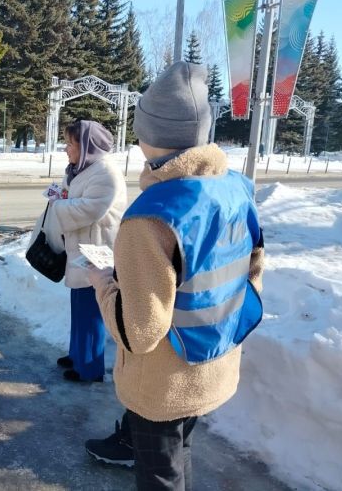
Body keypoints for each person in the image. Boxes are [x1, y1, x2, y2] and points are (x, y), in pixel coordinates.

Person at [86, 62, 265, 489]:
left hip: (162, 383)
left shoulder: (149, 218)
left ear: (149, 134)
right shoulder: (237, 188)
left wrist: (103, 285)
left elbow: (140, 331)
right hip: (214, 361)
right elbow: (252, 271)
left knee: (159, 476)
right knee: (179, 456)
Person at [48, 120, 127, 382]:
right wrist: (61, 196)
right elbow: (71, 196)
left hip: (96, 251)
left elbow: (91, 209)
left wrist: (60, 205)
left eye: (71, 143)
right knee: (79, 306)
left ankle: (90, 369)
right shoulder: (82, 168)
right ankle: (77, 354)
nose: (66, 148)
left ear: (87, 146)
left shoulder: (105, 171)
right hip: (81, 247)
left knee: (91, 311)